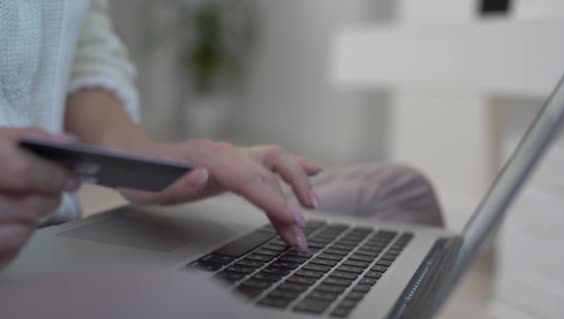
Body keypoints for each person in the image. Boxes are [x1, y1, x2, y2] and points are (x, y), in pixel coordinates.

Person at [0, 0, 443, 269]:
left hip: (51, 239)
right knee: (207, 309)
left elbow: (82, 55)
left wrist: (152, 162)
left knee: (397, 195)